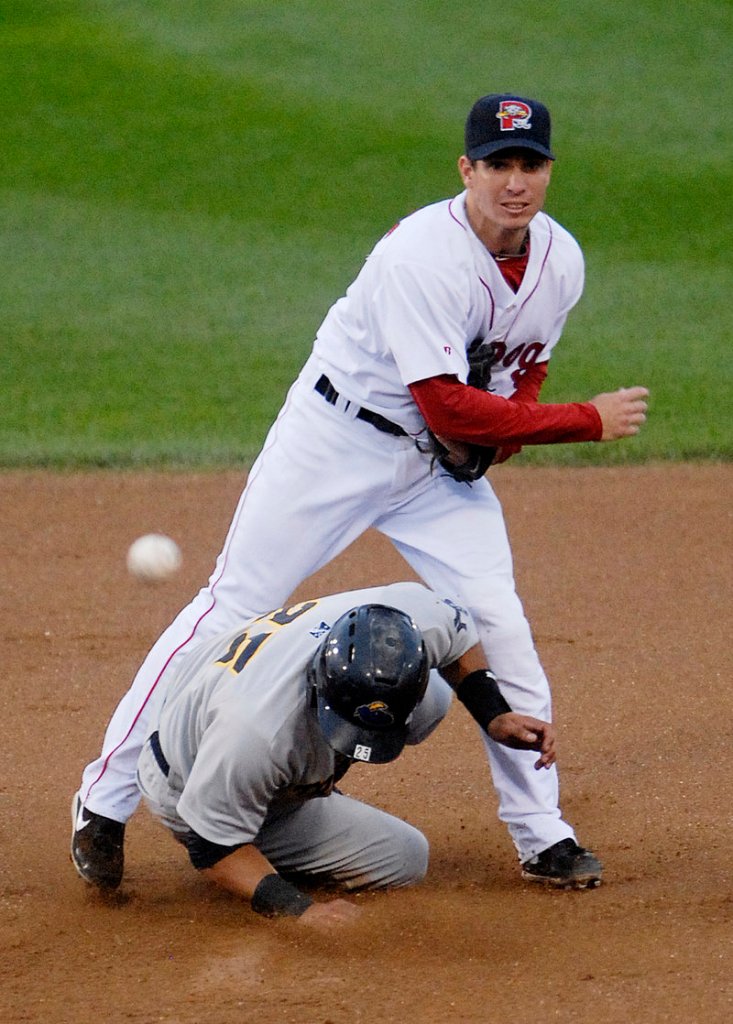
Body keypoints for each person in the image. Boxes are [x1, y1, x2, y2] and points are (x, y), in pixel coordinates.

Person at [71, 92, 648, 893]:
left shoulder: (561, 261)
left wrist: (497, 443)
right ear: (466, 169)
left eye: (530, 164)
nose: (515, 181)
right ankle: (105, 799)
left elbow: (520, 372)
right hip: (335, 440)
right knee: (231, 606)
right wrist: (584, 421)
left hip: (430, 470)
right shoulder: (422, 254)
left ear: (549, 170)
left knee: (497, 623)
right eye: (498, 164)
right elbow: (447, 401)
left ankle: (540, 831)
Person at [132, 582, 556, 928]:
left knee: (406, 857)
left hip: (246, 730)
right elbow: (209, 847)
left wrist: (494, 715)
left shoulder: (412, 615)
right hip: (185, 778)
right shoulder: (253, 732)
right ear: (321, 680)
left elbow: (458, 635)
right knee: (239, 818)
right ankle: (258, 835)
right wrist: (301, 910)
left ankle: (279, 813)